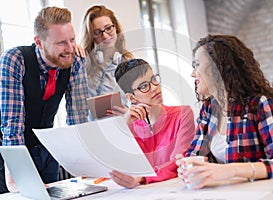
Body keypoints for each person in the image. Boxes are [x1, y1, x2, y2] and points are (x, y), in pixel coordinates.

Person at [176, 34, 273, 190]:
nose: (193, 73)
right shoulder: (208, 110)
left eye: (197, 65)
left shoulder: (259, 104)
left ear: (219, 67)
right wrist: (188, 167)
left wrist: (231, 170)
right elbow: (195, 155)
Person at [0, 6, 89, 191]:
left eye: (72, 40)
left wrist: (84, 166)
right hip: (9, 155)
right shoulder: (15, 60)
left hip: (44, 151)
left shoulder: (74, 60)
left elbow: (78, 118)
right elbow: (12, 123)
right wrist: (17, 175)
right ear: (39, 42)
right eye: (61, 43)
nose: (70, 48)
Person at [109, 58, 195, 188]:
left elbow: (177, 162)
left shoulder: (182, 114)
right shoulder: (128, 126)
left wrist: (142, 178)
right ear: (131, 97)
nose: (154, 88)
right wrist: (124, 127)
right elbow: (117, 164)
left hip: (177, 189)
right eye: (144, 86)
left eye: (154, 80)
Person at [80, 5, 134, 118]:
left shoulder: (129, 63)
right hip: (93, 130)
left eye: (108, 28)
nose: (104, 35)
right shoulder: (83, 65)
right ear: (91, 36)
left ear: (116, 28)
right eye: (97, 32)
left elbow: (143, 104)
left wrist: (129, 114)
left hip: (123, 127)